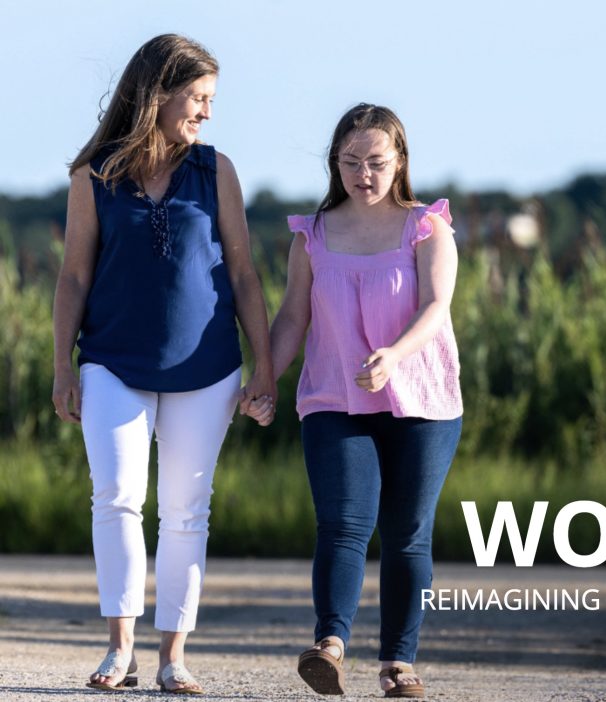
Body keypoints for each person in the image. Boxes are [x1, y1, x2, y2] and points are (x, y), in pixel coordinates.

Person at [52, 34, 276, 694]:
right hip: (111, 361)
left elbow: (244, 272)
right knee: (116, 497)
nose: (206, 113)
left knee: (185, 509)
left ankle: (172, 655)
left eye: (210, 100)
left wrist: (263, 364)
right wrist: (63, 365)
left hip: (206, 367)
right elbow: (71, 277)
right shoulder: (93, 175)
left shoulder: (217, 171)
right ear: (159, 94)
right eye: (198, 98)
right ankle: (118, 648)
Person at [245, 103, 462, 697]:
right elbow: (293, 314)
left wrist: (393, 355)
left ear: (400, 163)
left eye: (376, 162)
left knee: (407, 532)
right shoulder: (312, 235)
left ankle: (399, 665)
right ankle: (330, 645)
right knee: (342, 525)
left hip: (421, 400)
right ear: (334, 164)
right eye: (350, 162)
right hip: (333, 396)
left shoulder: (426, 227)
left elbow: (435, 308)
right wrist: (263, 376)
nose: (363, 174)